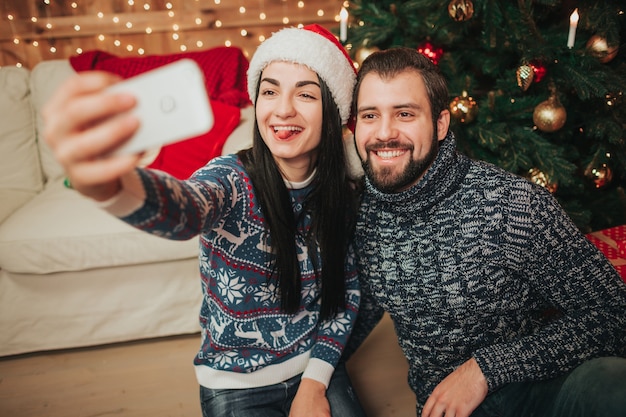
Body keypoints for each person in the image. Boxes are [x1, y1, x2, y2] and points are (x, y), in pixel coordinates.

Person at [42, 24, 366, 417]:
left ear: (333, 112)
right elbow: (187, 209)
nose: (283, 109)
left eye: (305, 94)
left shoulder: (341, 194)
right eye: (270, 91)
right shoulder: (229, 178)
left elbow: (345, 296)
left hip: (316, 366)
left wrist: (314, 383)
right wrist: (111, 185)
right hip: (235, 384)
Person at [345, 46, 626, 417]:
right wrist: (304, 377)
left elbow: (614, 315)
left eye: (405, 113)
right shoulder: (364, 212)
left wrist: (486, 369)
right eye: (370, 115)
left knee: (612, 383)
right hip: (449, 408)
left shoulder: (510, 204)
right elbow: (358, 309)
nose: (384, 133)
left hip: (543, 390)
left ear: (441, 123)